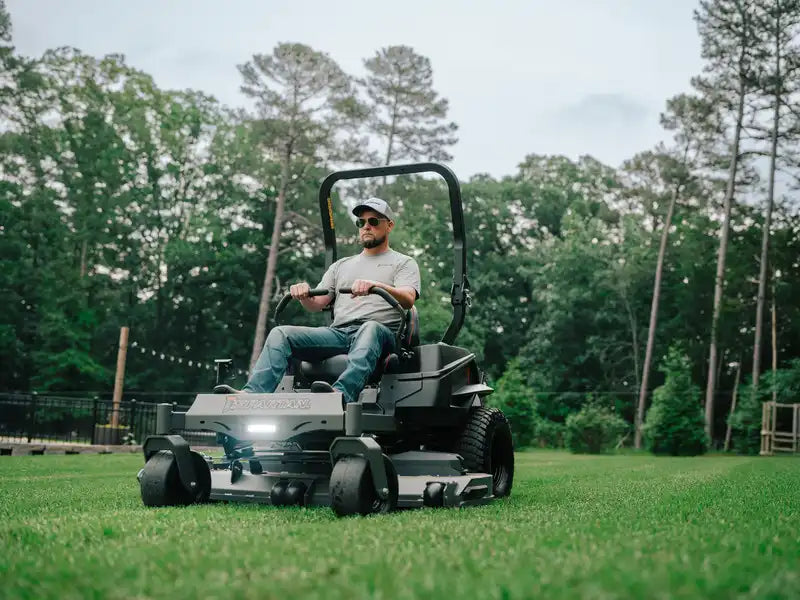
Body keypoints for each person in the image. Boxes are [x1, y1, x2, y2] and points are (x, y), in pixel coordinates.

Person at [214, 197, 421, 405]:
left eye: (374, 221)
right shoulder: (342, 266)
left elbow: (408, 298)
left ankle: (341, 394)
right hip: (340, 333)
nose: (366, 226)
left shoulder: (403, 263)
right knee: (281, 333)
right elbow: (317, 304)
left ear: (389, 225)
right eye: (361, 222)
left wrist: (376, 286)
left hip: (382, 335)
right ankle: (253, 394)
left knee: (370, 328)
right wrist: (304, 294)